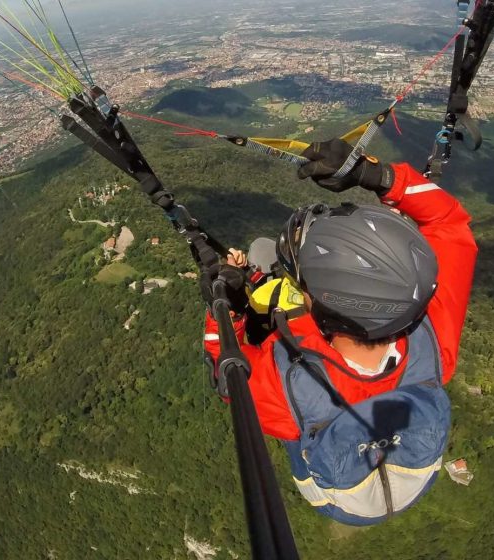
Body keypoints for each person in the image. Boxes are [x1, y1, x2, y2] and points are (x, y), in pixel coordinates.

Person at [201, 138, 477, 525]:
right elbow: (449, 222)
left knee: (301, 433)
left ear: (323, 310)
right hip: (414, 474)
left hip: (336, 500)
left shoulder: (286, 387)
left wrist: (226, 308)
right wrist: (377, 176)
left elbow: (222, 367)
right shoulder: (433, 341)